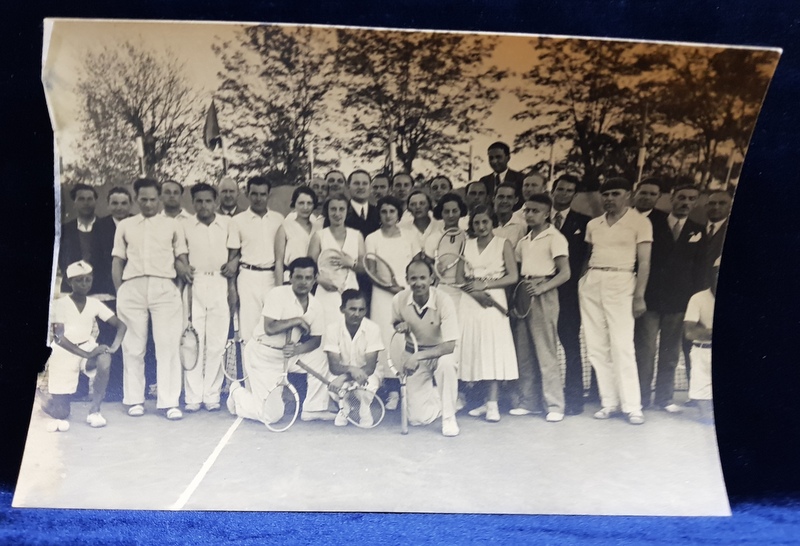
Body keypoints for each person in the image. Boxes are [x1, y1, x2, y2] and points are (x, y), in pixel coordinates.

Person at [112, 178, 191, 420]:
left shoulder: (173, 225)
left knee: (167, 346)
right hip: (132, 288)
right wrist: (121, 292)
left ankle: (169, 402)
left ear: (160, 199)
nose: (148, 203)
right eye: (143, 199)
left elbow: (182, 260)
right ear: (136, 199)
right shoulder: (125, 225)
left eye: (152, 199)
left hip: (164, 287)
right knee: (134, 347)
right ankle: (134, 400)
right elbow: (117, 261)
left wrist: (175, 289)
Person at [579, 177, 652, 425]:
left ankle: (632, 406)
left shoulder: (640, 222)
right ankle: (609, 402)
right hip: (593, 281)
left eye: (615, 193)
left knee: (622, 346)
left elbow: (644, 263)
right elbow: (588, 256)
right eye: (606, 194)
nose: (609, 198)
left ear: (628, 196)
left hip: (622, 283)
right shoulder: (593, 224)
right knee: (596, 347)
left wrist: (639, 296)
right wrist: (585, 282)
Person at [227, 257, 335, 423]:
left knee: (321, 355)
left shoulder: (316, 305)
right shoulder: (277, 294)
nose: (303, 282)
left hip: (289, 356)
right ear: (290, 278)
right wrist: (297, 320)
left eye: (308, 278)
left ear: (315, 280)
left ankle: (314, 408)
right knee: (272, 416)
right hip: (263, 356)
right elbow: (270, 328)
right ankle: (237, 393)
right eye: (298, 277)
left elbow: (316, 341)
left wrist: (297, 350)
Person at [635, 183, 706, 412]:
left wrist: (694, 305)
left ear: (695, 202)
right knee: (645, 352)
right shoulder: (650, 224)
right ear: (671, 198)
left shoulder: (698, 229)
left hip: (679, 303)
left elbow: (699, 271)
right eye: (681, 197)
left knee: (670, 353)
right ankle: (642, 399)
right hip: (651, 300)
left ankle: (664, 398)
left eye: (691, 199)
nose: (686, 202)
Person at [42, 260, 127, 431]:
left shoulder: (94, 303)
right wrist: (87, 354)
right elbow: (59, 338)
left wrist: (113, 347)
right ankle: (43, 400)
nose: (84, 284)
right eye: (79, 280)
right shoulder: (60, 304)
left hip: (86, 347)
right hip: (63, 352)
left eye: (88, 279)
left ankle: (95, 410)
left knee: (104, 358)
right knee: (62, 413)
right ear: (69, 282)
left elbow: (121, 325)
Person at [511, 194, 571, 422]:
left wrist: (543, 287)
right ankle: (529, 402)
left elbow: (565, 273)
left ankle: (555, 405)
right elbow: (518, 270)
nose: (529, 214)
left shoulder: (555, 237)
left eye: (535, 211)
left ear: (547, 214)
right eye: (527, 210)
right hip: (525, 292)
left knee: (546, 351)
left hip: (544, 294)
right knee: (524, 351)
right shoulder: (524, 241)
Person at [459, 205, 519, 422]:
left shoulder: (504, 244)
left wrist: (485, 285)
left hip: (495, 301)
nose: (481, 226)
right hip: (470, 302)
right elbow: (460, 279)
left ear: (493, 222)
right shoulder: (466, 244)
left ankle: (492, 404)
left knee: (492, 350)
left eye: (485, 222)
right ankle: (482, 402)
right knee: (475, 349)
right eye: (476, 223)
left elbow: (512, 276)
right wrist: (476, 294)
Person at [392, 259, 460, 437]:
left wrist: (417, 357)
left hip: (439, 353)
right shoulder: (398, 299)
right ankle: (445, 397)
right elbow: (395, 322)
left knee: (446, 364)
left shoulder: (444, 300)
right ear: (406, 279)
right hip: (413, 353)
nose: (418, 283)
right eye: (413, 278)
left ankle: (449, 417)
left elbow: (450, 346)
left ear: (431, 279)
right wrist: (400, 325)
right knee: (417, 419)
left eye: (423, 278)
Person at [365, 195, 421, 409]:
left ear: (399, 214)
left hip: (407, 294)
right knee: (386, 339)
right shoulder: (372, 238)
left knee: (405, 340)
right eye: (384, 211)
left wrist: (406, 289)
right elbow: (371, 272)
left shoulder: (410, 236)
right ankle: (391, 392)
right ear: (379, 215)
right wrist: (390, 287)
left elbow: (417, 266)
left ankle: (406, 387)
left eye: (392, 211)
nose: (388, 215)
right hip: (382, 296)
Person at [182, 183, 233, 413]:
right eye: (199, 201)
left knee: (216, 343)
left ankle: (211, 394)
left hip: (220, 282)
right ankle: (193, 396)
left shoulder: (227, 224)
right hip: (195, 282)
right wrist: (184, 270)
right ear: (193, 203)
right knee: (193, 341)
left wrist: (233, 264)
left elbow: (235, 253)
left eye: (208, 201)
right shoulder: (184, 225)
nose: (203, 205)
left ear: (215, 202)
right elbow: (179, 255)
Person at [224, 176, 284, 342]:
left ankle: (271, 368)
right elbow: (233, 256)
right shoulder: (237, 221)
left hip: (273, 276)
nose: (258, 198)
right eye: (254, 194)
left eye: (262, 194)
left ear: (268, 195)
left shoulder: (279, 219)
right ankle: (249, 368)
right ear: (247, 194)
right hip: (248, 277)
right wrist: (232, 287)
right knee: (250, 329)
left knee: (273, 326)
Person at [550, 175, 591, 415]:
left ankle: (574, 398)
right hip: (541, 292)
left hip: (570, 294)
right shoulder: (538, 216)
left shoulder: (585, 222)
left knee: (571, 345)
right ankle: (545, 395)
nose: (563, 194)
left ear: (574, 195)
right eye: (560, 189)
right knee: (544, 345)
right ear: (552, 190)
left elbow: (587, 257)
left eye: (569, 191)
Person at [324, 289, 384, 427]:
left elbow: (369, 368)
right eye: (352, 309)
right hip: (339, 373)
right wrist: (351, 370)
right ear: (342, 309)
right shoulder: (332, 329)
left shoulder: (373, 328)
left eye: (361, 310)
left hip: (368, 374)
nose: (357, 314)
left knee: (368, 384)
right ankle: (344, 407)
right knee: (332, 384)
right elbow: (334, 366)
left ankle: (364, 409)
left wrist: (345, 377)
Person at [308, 195, 365, 325]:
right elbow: (309, 266)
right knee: (325, 329)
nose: (337, 213)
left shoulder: (356, 236)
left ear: (347, 211)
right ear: (327, 212)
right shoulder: (319, 236)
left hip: (351, 290)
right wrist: (319, 279)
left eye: (341, 209)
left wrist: (350, 263)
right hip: (326, 290)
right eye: (333, 209)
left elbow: (363, 268)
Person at [683, 257, 719, 423]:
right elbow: (690, 332)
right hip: (702, 352)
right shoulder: (697, 298)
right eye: (717, 271)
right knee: (706, 418)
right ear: (711, 274)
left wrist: (706, 331)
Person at [58, 184, 101, 295]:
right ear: (74, 203)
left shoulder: (106, 226)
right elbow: (61, 258)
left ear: (95, 202)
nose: (86, 203)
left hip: (101, 288)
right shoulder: (64, 230)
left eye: (90, 199)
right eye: (81, 199)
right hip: (71, 288)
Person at [275, 186, 322, 284]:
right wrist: (279, 288)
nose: (305, 207)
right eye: (301, 203)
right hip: (291, 279)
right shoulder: (285, 227)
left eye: (309, 203)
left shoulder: (318, 228)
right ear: (294, 204)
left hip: (313, 280)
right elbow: (279, 262)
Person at [92, 187, 133, 297]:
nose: (119, 207)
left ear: (131, 205)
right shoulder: (99, 226)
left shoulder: (138, 224)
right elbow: (97, 259)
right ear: (108, 205)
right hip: (107, 286)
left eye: (124, 203)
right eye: (114, 203)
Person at [703, 189, 732, 287]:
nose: (716, 207)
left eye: (722, 203)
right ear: (705, 206)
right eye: (712, 203)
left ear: (730, 206)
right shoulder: (696, 228)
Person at [345, 169, 381, 237]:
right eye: (356, 183)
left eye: (365, 183)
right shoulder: (341, 211)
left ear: (370, 187)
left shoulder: (379, 212)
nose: (361, 187)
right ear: (348, 186)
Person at [493, 183, 528, 249]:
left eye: (509, 197)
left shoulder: (522, 225)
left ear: (516, 200)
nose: (505, 201)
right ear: (493, 199)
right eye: (501, 197)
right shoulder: (485, 222)